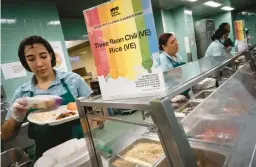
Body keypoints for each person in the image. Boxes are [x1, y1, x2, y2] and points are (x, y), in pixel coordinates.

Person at [1, 36, 92, 160]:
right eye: (31, 59)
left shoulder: (73, 80)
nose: (39, 64)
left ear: (50, 56)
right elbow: (5, 136)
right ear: (25, 63)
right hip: (47, 157)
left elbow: (95, 113)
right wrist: (16, 118)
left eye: (43, 56)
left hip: (81, 148)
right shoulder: (22, 93)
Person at [158, 33, 188, 102]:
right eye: (172, 42)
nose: (176, 43)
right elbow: (163, 82)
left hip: (182, 93)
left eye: (176, 40)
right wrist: (171, 98)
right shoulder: (162, 59)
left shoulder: (176, 56)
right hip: (174, 97)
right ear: (164, 46)